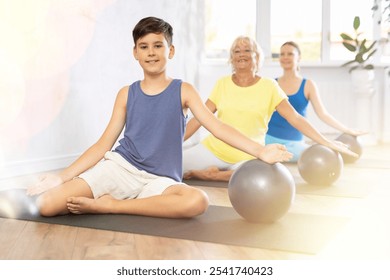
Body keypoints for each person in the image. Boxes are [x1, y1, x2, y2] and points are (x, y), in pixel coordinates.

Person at [26, 17, 293, 219]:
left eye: (157, 45)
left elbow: (217, 126)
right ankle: (113, 200)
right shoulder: (126, 94)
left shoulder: (183, 90)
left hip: (160, 180)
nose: (151, 52)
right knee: (47, 205)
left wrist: (261, 151)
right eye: (144, 47)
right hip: (121, 168)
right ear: (136, 53)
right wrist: (61, 178)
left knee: (197, 201)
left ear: (171, 51)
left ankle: (113, 206)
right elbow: (102, 145)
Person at [183, 36, 357, 182]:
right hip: (214, 149)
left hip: (249, 154)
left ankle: (212, 175)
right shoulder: (222, 83)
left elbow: (295, 118)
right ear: (231, 58)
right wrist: (174, 142)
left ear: (257, 57)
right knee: (170, 163)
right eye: (237, 51)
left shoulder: (270, 86)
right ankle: (218, 173)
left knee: (260, 176)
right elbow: (199, 117)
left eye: (247, 50)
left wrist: (325, 142)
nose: (241, 54)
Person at [265, 41, 366, 162]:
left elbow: (323, 114)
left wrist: (347, 130)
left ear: (299, 58)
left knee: (318, 157)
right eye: (282, 54)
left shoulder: (308, 85)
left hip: (293, 144)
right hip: (268, 140)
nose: (285, 57)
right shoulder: (272, 84)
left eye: (290, 54)